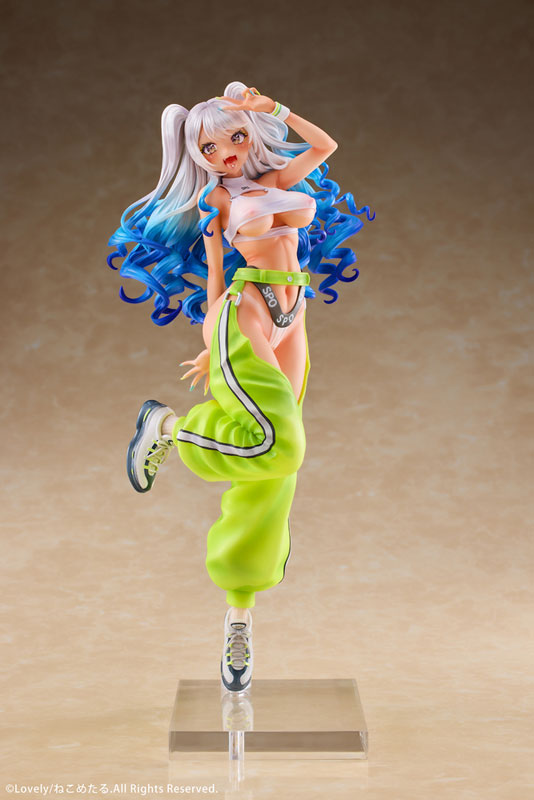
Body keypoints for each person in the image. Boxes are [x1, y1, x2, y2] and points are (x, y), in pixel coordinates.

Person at [108, 81, 374, 692]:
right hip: (245, 308)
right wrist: (213, 338)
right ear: (196, 155)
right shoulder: (217, 199)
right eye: (209, 147)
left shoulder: (276, 179)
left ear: (249, 136)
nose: (225, 152)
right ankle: (170, 428)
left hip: (294, 311)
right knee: (280, 444)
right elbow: (214, 269)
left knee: (276, 474)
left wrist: (273, 109)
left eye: (233, 137)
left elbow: (325, 146)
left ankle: (239, 613)